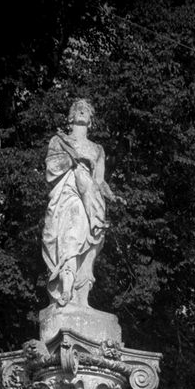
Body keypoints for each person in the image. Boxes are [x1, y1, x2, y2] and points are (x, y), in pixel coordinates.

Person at [42, 99, 109, 314]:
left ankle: (73, 293)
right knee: (63, 240)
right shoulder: (58, 141)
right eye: (77, 108)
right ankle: (66, 290)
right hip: (65, 196)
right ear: (70, 117)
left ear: (91, 119)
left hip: (86, 201)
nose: (82, 109)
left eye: (87, 109)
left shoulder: (97, 149)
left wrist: (110, 194)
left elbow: (99, 181)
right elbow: (51, 169)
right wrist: (74, 159)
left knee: (77, 241)